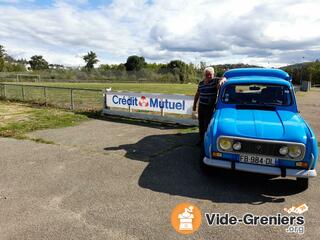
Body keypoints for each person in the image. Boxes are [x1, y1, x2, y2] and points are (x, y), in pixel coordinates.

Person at [193, 67, 225, 145]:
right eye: (207, 75)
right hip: (201, 106)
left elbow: (224, 78)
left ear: (213, 74)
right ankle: (201, 139)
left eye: (210, 75)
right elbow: (197, 94)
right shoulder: (201, 83)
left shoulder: (214, 81)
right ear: (204, 75)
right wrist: (194, 104)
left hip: (210, 107)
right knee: (201, 124)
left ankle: (206, 142)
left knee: (207, 125)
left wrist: (221, 81)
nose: (209, 76)